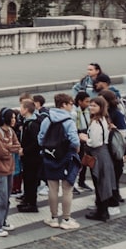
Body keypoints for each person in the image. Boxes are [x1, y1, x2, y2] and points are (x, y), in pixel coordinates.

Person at [38, 93, 81, 230]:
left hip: (50, 156)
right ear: (64, 104)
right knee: (67, 189)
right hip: (66, 157)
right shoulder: (69, 121)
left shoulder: (47, 119)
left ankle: (53, 218)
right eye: (70, 103)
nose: (72, 106)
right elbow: (74, 140)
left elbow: (40, 139)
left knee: (52, 188)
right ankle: (66, 219)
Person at [0, 107, 22, 237]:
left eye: (14, 117)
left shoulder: (11, 132)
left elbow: (17, 146)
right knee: (0, 198)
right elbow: (0, 153)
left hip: (9, 168)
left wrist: (8, 148)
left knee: (6, 198)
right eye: (11, 117)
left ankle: (3, 220)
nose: (14, 120)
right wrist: (10, 149)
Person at [82, 96, 116, 222]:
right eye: (90, 105)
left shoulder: (96, 122)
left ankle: (101, 212)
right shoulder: (104, 119)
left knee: (100, 183)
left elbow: (95, 142)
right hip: (104, 154)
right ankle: (103, 210)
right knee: (103, 182)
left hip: (98, 154)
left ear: (101, 107)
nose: (91, 107)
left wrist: (85, 138)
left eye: (94, 105)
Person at [99, 89, 126, 211]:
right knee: (110, 178)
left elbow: (122, 136)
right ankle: (112, 199)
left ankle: (113, 203)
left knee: (113, 177)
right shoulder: (104, 114)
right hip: (107, 150)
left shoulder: (116, 114)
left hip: (115, 151)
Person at [16, 98, 43, 213]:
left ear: (26, 109)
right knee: (27, 179)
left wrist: (24, 150)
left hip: (32, 158)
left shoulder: (32, 124)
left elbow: (36, 143)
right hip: (28, 157)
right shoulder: (27, 121)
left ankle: (32, 203)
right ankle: (27, 199)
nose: (20, 110)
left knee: (31, 180)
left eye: (21, 107)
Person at [72, 91, 93, 193]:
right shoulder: (74, 112)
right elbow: (73, 128)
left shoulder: (87, 110)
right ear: (79, 102)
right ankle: (72, 183)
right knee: (76, 162)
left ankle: (82, 181)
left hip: (86, 136)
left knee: (85, 161)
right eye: (86, 101)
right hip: (78, 137)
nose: (88, 104)